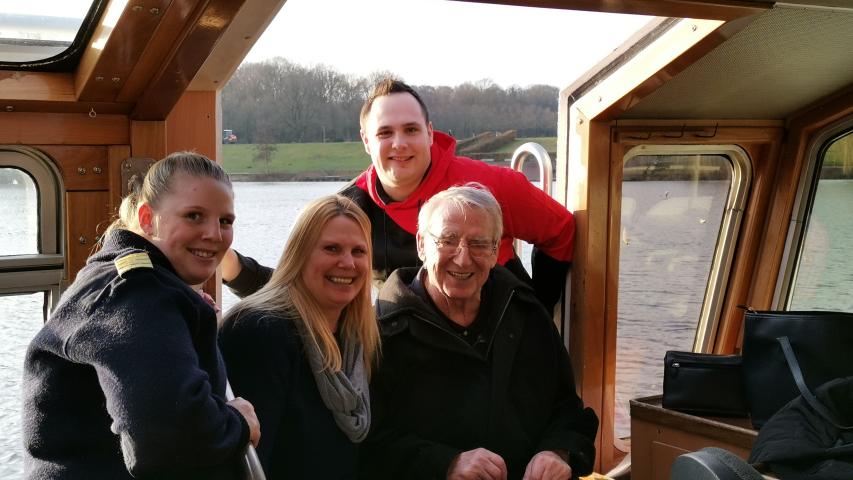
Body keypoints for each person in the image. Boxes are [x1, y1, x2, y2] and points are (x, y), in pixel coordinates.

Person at [223, 78, 574, 312]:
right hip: (410, 355)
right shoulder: (349, 210)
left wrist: (541, 310)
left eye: (410, 129)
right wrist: (229, 264)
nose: (399, 143)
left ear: (430, 133)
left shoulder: (493, 185)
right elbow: (295, 288)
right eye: (385, 133)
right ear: (366, 141)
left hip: (507, 344)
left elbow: (561, 231)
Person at [22, 152, 260, 479]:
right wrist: (239, 422)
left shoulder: (129, 280)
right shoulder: (135, 294)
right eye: (194, 216)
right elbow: (166, 437)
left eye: (225, 221)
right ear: (147, 219)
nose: (214, 234)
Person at [361, 183, 598, 480]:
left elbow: (567, 409)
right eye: (447, 240)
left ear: (496, 250)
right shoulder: (382, 333)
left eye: (479, 244)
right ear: (421, 245)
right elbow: (367, 446)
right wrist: (446, 464)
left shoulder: (526, 313)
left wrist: (558, 452)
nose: (463, 258)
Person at [218, 194, 381, 479]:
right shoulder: (259, 332)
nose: (348, 262)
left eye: (359, 251)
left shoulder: (359, 340)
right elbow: (246, 463)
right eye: (331, 248)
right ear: (299, 254)